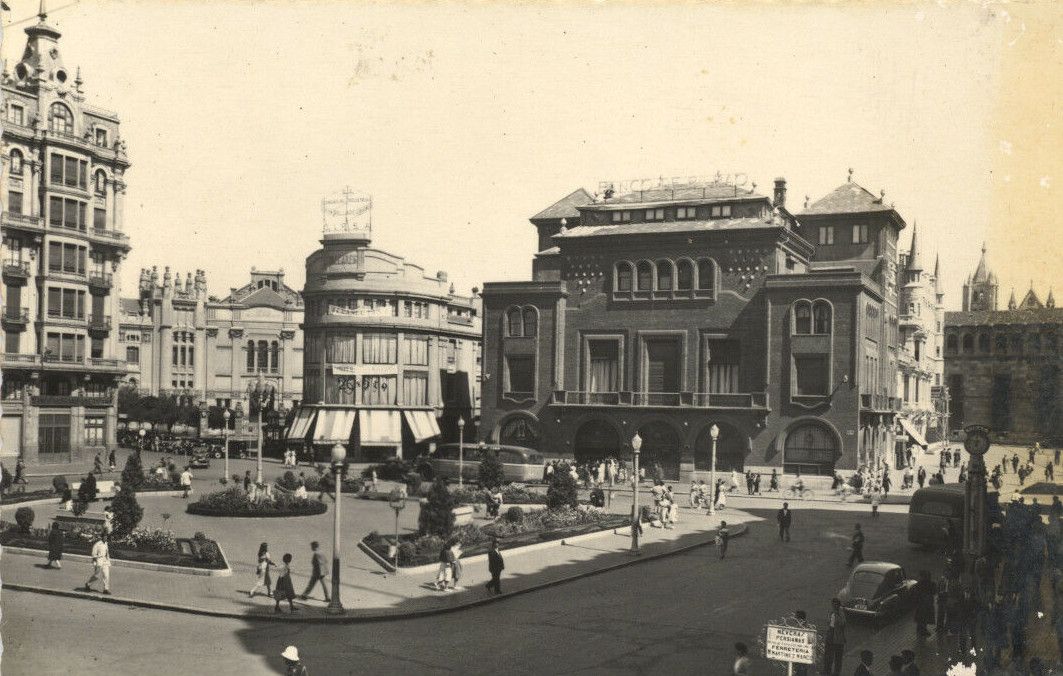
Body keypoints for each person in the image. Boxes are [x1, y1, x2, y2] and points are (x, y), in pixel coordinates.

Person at [823, 597, 846, 676]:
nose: (834, 605)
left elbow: (843, 623)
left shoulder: (841, 613)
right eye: (833, 604)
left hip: (838, 637)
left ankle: (836, 672)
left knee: (838, 657)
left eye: (835, 604)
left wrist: (837, 614)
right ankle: (827, 671)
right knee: (828, 655)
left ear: (838, 605)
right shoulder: (831, 612)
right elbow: (828, 622)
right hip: (830, 633)